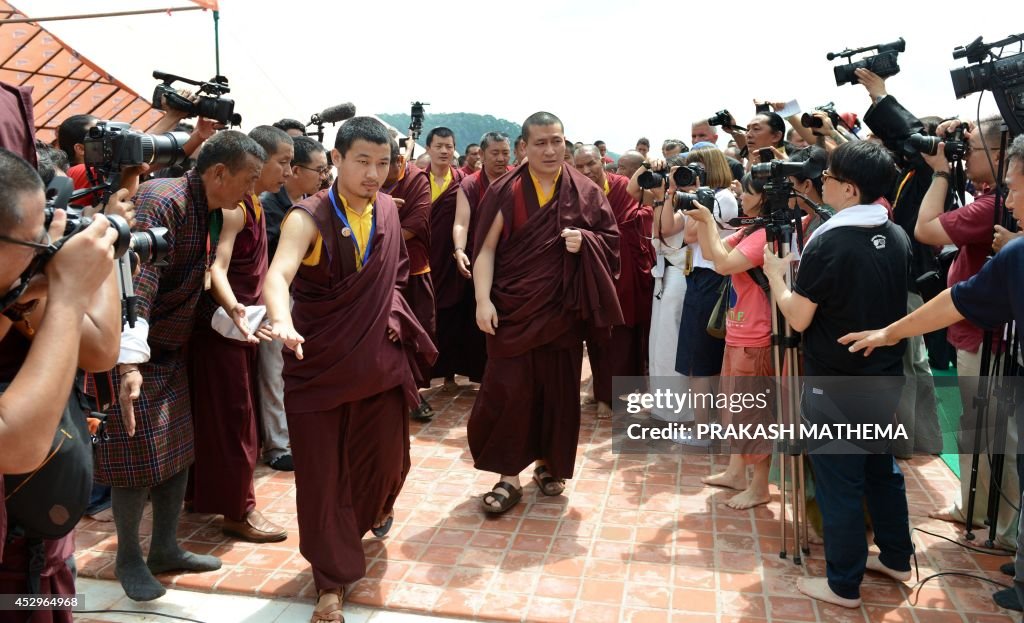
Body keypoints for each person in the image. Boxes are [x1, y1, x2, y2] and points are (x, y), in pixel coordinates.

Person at [843, 133, 1024, 614]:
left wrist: (889, 332)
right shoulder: (1016, 251)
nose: (1009, 199)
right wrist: (891, 332)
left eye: (1015, 187)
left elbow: (929, 233)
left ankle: (1008, 536)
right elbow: (957, 300)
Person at [263, 116, 435, 623]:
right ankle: (331, 582)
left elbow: (397, 278)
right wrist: (281, 320)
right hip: (317, 362)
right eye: (362, 161)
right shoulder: (307, 217)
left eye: (383, 163)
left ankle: (370, 513)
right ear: (335, 159)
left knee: (386, 461)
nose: (374, 174)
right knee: (322, 476)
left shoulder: (386, 208)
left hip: (379, 360)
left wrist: (396, 316)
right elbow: (278, 275)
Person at [99, 130, 267, 601]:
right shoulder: (164, 200)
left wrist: (229, 315)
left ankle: (166, 547)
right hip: (129, 348)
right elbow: (137, 279)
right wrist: (129, 362)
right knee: (134, 461)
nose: (252, 191)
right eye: (249, 179)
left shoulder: (209, 210)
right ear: (218, 173)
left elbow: (192, 281)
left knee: (176, 453)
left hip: (169, 348)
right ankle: (129, 557)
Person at [764, 140, 913, 609]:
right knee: (880, 470)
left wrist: (775, 277)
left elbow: (800, 317)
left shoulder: (828, 240)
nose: (820, 182)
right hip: (885, 374)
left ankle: (842, 583)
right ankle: (895, 555)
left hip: (834, 379)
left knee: (840, 480)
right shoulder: (896, 234)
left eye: (827, 177)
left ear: (849, 189)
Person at [469, 112, 621, 514]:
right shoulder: (506, 190)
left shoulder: (585, 191)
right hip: (512, 310)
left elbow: (611, 242)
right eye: (540, 142)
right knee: (509, 392)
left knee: (558, 391)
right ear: (524, 147)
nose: (550, 150)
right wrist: (482, 300)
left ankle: (547, 464)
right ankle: (507, 477)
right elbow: (484, 248)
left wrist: (585, 242)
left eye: (557, 141)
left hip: (561, 313)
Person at [0, 148, 123, 619]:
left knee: (51, 592)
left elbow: (98, 350)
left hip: (41, 532)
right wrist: (72, 290)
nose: (47, 247)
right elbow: (15, 444)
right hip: (13, 559)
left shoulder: (18, 286)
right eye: (37, 239)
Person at [913, 115, 1018, 537]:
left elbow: (925, 229)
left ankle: (1004, 527)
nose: (960, 155)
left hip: (986, 335)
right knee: (980, 429)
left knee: (996, 435)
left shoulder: (992, 204)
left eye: (969, 148)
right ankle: (974, 508)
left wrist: (939, 172)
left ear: (997, 154)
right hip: (974, 330)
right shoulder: (992, 197)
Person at [187, 126, 291, 543]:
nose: (287, 169)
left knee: (223, 417)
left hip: (243, 324)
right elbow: (217, 268)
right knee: (236, 420)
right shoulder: (237, 208)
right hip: (226, 328)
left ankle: (204, 495)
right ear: (256, 162)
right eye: (281, 161)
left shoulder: (256, 203)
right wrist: (236, 309)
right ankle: (238, 510)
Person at [686, 173, 773, 508]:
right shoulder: (751, 228)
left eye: (746, 192)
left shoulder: (764, 232)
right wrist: (705, 221)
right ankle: (737, 472)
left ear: (761, 198)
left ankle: (760, 485)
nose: (741, 197)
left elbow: (723, 265)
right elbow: (713, 252)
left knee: (755, 414)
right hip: (740, 329)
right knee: (735, 409)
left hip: (756, 333)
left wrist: (708, 219)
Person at [256, 136, 328, 471]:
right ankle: (278, 446)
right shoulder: (269, 207)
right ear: (296, 170)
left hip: (305, 298)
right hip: (274, 299)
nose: (323, 177)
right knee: (274, 370)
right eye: (319, 170)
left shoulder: (311, 205)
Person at [659, 147, 739, 441]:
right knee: (699, 356)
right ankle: (708, 425)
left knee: (701, 359)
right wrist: (671, 191)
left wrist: (696, 193)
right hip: (699, 278)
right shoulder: (701, 197)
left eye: (697, 168)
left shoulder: (723, 197)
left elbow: (691, 235)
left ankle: (702, 429)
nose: (691, 174)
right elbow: (667, 228)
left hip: (712, 278)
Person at [574, 144, 654, 417]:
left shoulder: (622, 186)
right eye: (580, 166)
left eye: (591, 164)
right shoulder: (575, 192)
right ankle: (603, 394)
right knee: (598, 335)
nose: (586, 171)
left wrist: (617, 229)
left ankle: (622, 394)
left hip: (625, 270)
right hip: (593, 271)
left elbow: (646, 213)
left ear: (603, 162)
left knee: (624, 335)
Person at [381, 137, 436, 419]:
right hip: (376, 273)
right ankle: (406, 397)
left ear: (398, 160)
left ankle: (414, 391)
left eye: (382, 164)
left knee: (416, 332)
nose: (375, 173)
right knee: (388, 335)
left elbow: (415, 224)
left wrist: (378, 228)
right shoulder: (367, 181)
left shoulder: (416, 179)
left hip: (412, 269)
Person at [425, 127, 469, 391]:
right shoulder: (415, 179)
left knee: (451, 316)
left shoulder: (463, 181)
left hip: (451, 257)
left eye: (449, 146)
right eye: (439, 146)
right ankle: (424, 373)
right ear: (428, 148)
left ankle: (450, 374)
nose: (444, 151)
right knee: (425, 315)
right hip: (422, 258)